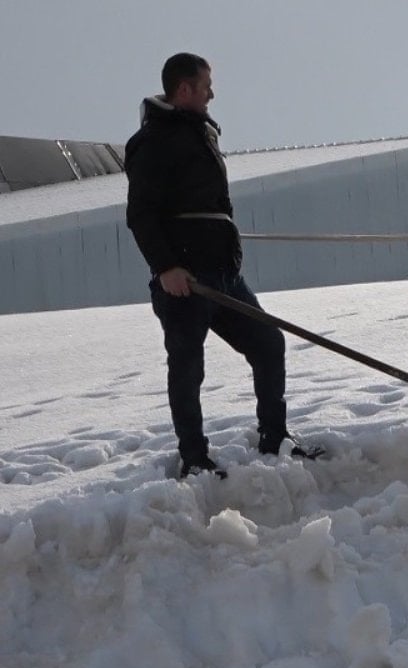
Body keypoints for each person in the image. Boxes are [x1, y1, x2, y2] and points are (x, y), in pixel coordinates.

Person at [125, 53, 307, 478]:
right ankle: (194, 458)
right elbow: (141, 214)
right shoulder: (154, 140)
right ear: (184, 89)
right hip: (185, 279)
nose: (212, 94)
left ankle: (275, 438)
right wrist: (166, 267)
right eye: (206, 85)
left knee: (268, 344)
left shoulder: (199, 134)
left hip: (223, 275)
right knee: (188, 367)